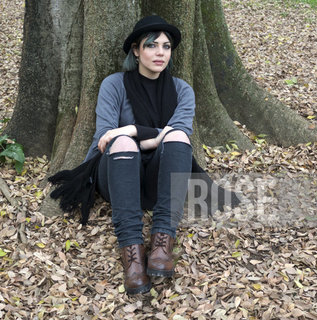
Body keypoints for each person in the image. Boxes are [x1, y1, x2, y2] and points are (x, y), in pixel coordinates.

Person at [49, 15, 239, 295]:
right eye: (151, 46)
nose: (160, 52)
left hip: (160, 182)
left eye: (166, 46)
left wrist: (129, 130)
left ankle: (163, 243)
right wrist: (142, 136)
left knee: (175, 137)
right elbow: (106, 140)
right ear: (136, 51)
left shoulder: (182, 90)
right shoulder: (114, 85)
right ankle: (132, 256)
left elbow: (179, 133)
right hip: (117, 177)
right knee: (124, 143)